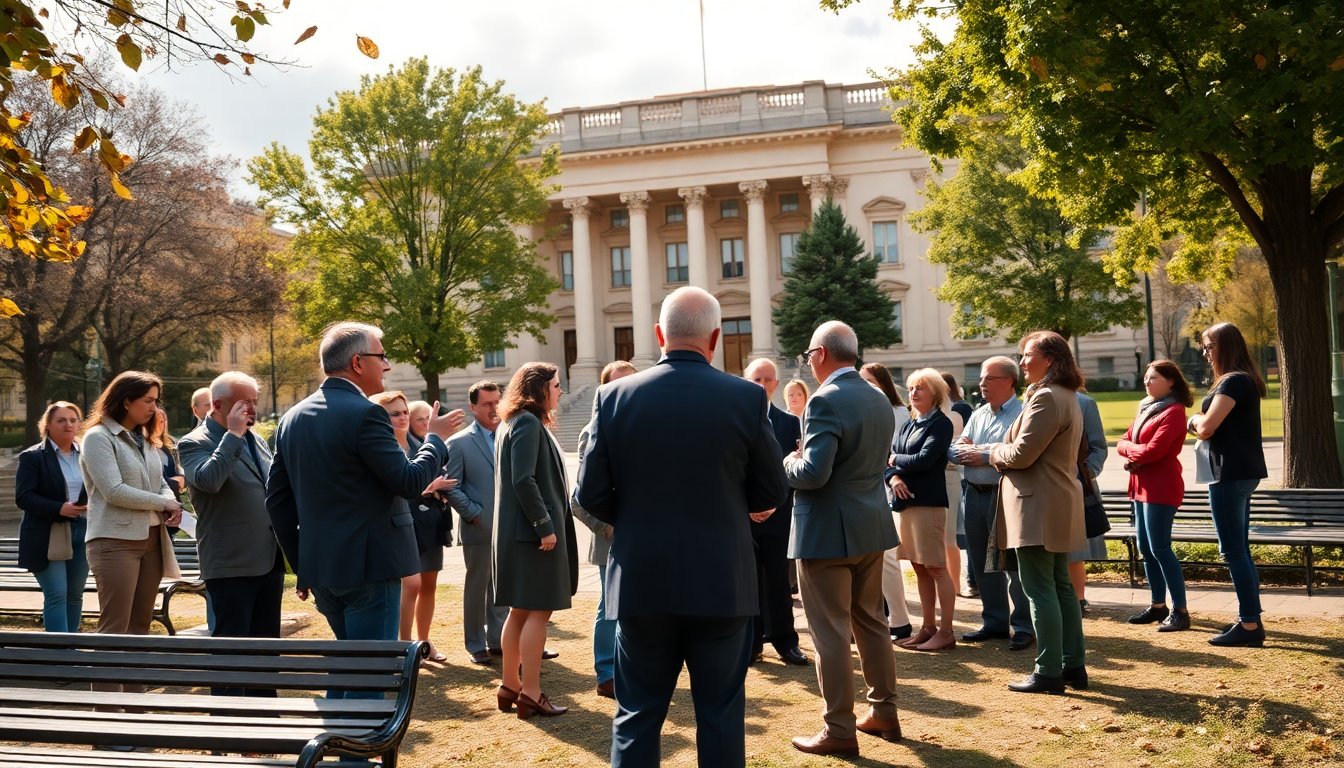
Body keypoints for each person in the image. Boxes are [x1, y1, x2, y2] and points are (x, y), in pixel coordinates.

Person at [576, 287, 787, 767]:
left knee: (637, 716)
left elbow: (589, 494)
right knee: (720, 714)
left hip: (643, 579)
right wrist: (742, 507)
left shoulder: (613, 396)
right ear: (715, 337)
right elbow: (772, 489)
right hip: (721, 580)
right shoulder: (747, 397)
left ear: (658, 335)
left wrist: (636, 519)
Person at [267, 322, 465, 653]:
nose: (387, 365)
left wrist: (304, 566)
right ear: (358, 362)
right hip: (371, 569)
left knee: (351, 669)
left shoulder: (292, 418)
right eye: (382, 356)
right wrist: (435, 438)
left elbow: (276, 502)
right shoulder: (367, 414)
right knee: (369, 676)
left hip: (324, 568)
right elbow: (409, 481)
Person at [785, 320, 901, 757]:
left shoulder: (825, 400)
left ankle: (839, 729)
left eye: (809, 355)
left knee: (830, 632)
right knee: (871, 623)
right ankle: (884, 711)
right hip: (870, 525)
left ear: (819, 355)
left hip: (826, 533)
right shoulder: (876, 396)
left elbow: (814, 474)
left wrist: (786, 462)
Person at [990, 330, 1087, 694]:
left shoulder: (1047, 396)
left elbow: (1020, 454)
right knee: (1060, 586)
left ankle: (1049, 671)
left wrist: (991, 454)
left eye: (1028, 355)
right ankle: (1072, 665)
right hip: (1053, 501)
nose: (1022, 362)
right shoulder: (1065, 394)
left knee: (1039, 589)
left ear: (1050, 359)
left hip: (1038, 505)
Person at [177, 372, 286, 695]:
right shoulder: (194, 442)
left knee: (266, 649)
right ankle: (225, 726)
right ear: (218, 405)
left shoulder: (257, 439)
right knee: (232, 652)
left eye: (254, 402)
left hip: (268, 557)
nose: (251, 409)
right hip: (230, 562)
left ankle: (265, 723)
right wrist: (234, 435)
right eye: (244, 403)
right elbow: (209, 481)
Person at [494, 362, 578, 720]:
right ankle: (530, 691)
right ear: (538, 389)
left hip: (518, 535)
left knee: (520, 611)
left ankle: (510, 685)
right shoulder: (527, 422)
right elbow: (524, 480)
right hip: (532, 537)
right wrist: (544, 525)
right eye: (556, 386)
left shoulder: (512, 422)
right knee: (538, 613)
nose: (560, 391)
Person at [81, 371, 185, 645]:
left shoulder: (145, 439)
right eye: (148, 400)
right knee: (115, 626)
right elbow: (114, 491)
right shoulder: (98, 437)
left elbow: (160, 482)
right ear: (126, 401)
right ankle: (105, 689)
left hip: (152, 540)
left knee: (141, 625)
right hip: (114, 541)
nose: (155, 408)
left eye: (156, 401)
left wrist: (168, 499)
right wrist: (165, 502)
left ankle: (133, 689)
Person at [1188, 322, 1268, 647]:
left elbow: (1206, 427)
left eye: (1209, 346)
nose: (1206, 352)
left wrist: (1192, 420)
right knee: (1240, 550)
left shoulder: (1234, 381)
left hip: (1229, 475)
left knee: (1233, 550)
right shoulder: (1239, 381)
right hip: (1239, 473)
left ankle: (1249, 625)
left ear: (1226, 346)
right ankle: (1249, 618)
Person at [949, 356, 1034, 651]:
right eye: (982, 378)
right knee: (982, 564)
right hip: (973, 493)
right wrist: (971, 450)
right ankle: (995, 622)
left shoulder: (1024, 413)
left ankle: (1024, 626)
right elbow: (955, 448)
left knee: (1013, 566)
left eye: (989, 378)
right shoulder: (979, 413)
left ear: (1010, 381)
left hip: (1004, 496)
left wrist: (984, 454)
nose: (982, 384)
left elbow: (1016, 452)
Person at [370, 390, 457, 664]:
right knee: (411, 585)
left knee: (428, 584)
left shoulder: (419, 445)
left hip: (428, 522)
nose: (402, 418)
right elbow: (400, 487)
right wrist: (428, 488)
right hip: (398, 527)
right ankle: (405, 647)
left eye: (404, 412)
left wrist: (438, 490)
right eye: (394, 414)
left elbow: (431, 473)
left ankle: (424, 642)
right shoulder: (380, 448)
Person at [572, 361, 638, 698]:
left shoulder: (641, 427)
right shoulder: (592, 430)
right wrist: (607, 527)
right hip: (610, 539)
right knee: (609, 607)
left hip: (640, 536)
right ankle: (606, 673)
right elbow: (578, 499)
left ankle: (628, 668)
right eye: (618, 384)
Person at [1118, 360, 1194, 632]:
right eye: (1146, 378)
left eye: (1153, 378)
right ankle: (1158, 605)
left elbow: (1154, 452)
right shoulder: (1146, 407)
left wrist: (1133, 452)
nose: (1146, 383)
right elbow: (1122, 441)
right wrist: (1132, 451)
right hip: (1140, 485)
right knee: (1146, 550)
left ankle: (1180, 611)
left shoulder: (1174, 411)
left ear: (1171, 381)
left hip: (1161, 487)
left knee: (1160, 548)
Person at [743, 358, 809, 666]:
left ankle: (786, 641)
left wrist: (772, 505)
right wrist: (748, 507)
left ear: (775, 385)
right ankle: (752, 643)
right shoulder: (734, 419)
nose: (761, 384)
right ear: (747, 381)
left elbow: (791, 470)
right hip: (743, 517)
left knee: (779, 581)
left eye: (767, 380)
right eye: (756, 379)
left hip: (778, 513)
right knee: (748, 582)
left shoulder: (789, 422)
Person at [885, 368, 956, 652]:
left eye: (920, 389)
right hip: (905, 505)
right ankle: (928, 627)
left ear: (936, 394)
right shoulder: (907, 424)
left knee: (937, 567)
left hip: (928, 504)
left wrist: (894, 459)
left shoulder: (941, 424)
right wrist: (895, 477)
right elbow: (886, 464)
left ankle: (947, 631)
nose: (913, 393)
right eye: (911, 388)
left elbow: (925, 459)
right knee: (918, 566)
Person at [444, 380, 511, 666]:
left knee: (503, 588)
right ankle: (475, 643)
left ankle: (498, 641)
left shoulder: (511, 436)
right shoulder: (458, 443)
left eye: (497, 402)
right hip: (479, 527)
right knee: (477, 588)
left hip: (510, 527)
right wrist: (473, 513)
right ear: (473, 407)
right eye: (487, 403)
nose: (494, 408)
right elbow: (449, 485)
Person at [16, 401, 89, 633]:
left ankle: (72, 648)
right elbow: (24, 497)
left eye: (73, 420)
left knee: (75, 595)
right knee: (57, 594)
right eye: (61, 420)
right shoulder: (33, 457)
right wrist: (59, 508)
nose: (68, 424)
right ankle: (58, 654)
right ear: (47, 425)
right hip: (48, 533)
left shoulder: (88, 455)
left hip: (83, 529)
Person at [858, 362, 913, 640]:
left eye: (871, 381)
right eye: (861, 380)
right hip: (867, 488)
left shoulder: (898, 411)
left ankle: (901, 621)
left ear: (883, 383)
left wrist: (890, 473)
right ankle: (886, 616)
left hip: (887, 487)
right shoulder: (862, 408)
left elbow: (892, 452)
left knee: (888, 558)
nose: (865, 386)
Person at [1067, 391, 1108, 613]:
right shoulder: (1033, 399)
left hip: (1077, 487)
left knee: (1075, 551)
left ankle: (1078, 600)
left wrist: (1083, 476)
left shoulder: (1083, 403)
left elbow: (1099, 447)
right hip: (1044, 489)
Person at [941, 372, 975, 597]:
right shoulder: (939, 410)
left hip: (959, 474)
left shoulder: (960, 409)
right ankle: (963, 582)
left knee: (965, 532)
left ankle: (969, 581)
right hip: (949, 475)